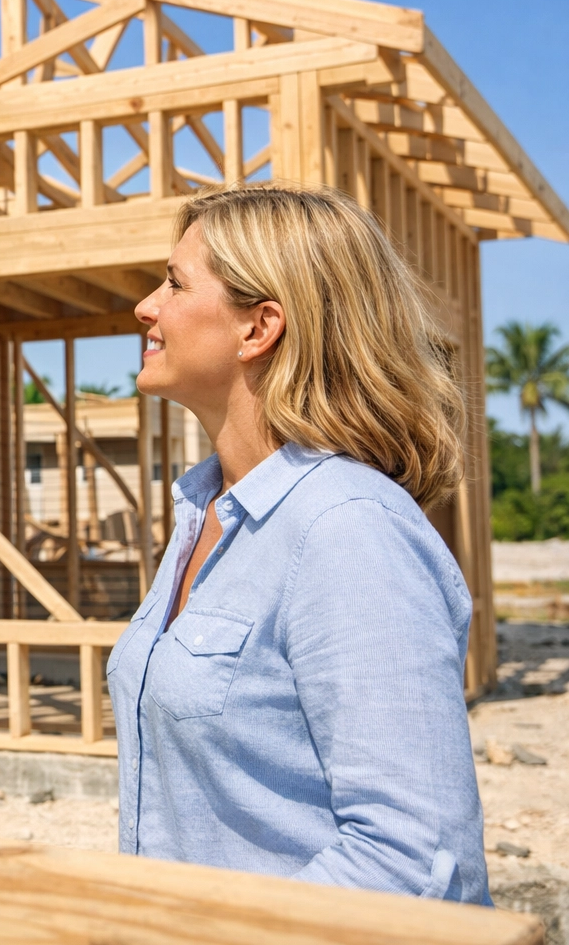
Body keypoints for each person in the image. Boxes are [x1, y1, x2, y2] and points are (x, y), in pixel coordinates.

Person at [109, 183, 489, 903]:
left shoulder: (347, 530)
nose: (146, 307)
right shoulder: (203, 513)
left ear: (259, 329)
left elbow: (412, 860)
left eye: (174, 283)